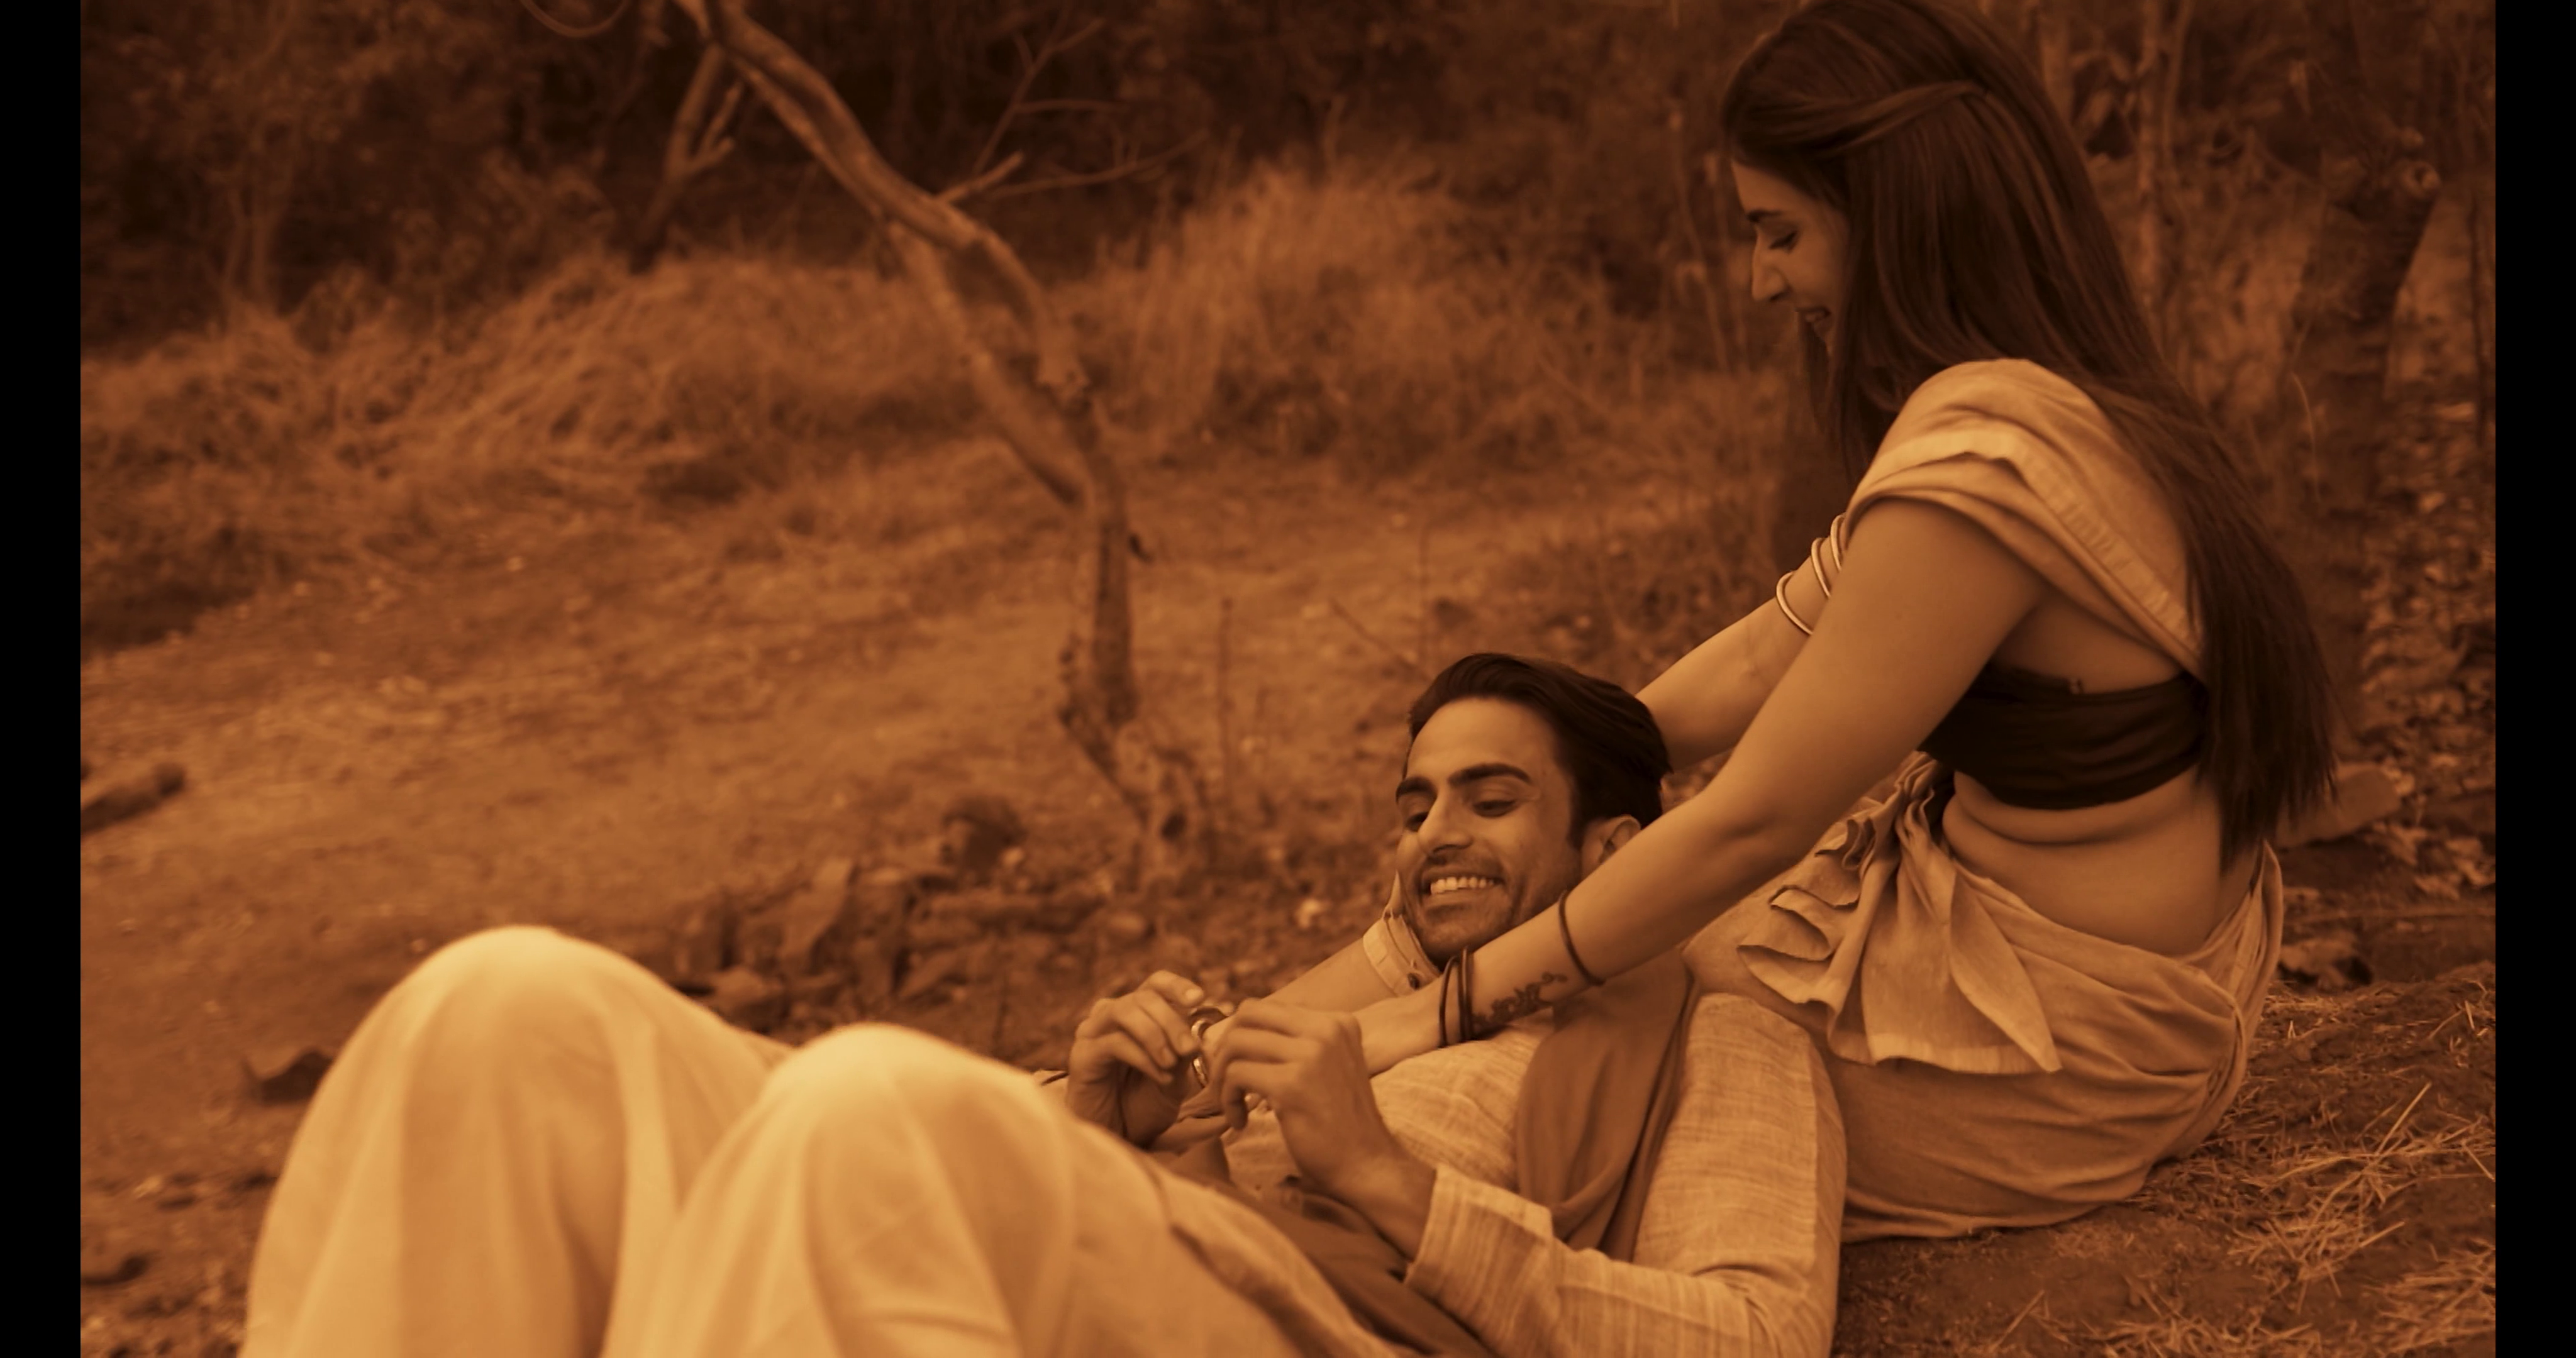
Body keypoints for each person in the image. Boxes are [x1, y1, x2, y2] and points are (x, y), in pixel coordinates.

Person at [1351, 0, 2336, 1244]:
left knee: (1555, 1054)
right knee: (1544, 925)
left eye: (1781, 233)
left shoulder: (1985, 465)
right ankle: (1263, 1042)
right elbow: (1770, 650)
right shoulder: (2050, 400)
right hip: (2066, 979)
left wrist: (1438, 1011)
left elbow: (1751, 820)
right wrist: (1543, 776)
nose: (1760, 281)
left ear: (1894, 215)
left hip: (2056, 1056)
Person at [243, 654, 1845, 1358]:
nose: (1434, 834)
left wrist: (1390, 1184)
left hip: (1340, 1334)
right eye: (1413, 803)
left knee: (872, 1107)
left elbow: (1757, 1339)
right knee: (504, 1010)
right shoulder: (1373, 991)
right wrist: (1102, 1127)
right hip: (1167, 1263)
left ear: (1613, 848)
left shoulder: (1711, 1028)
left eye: (1490, 800)